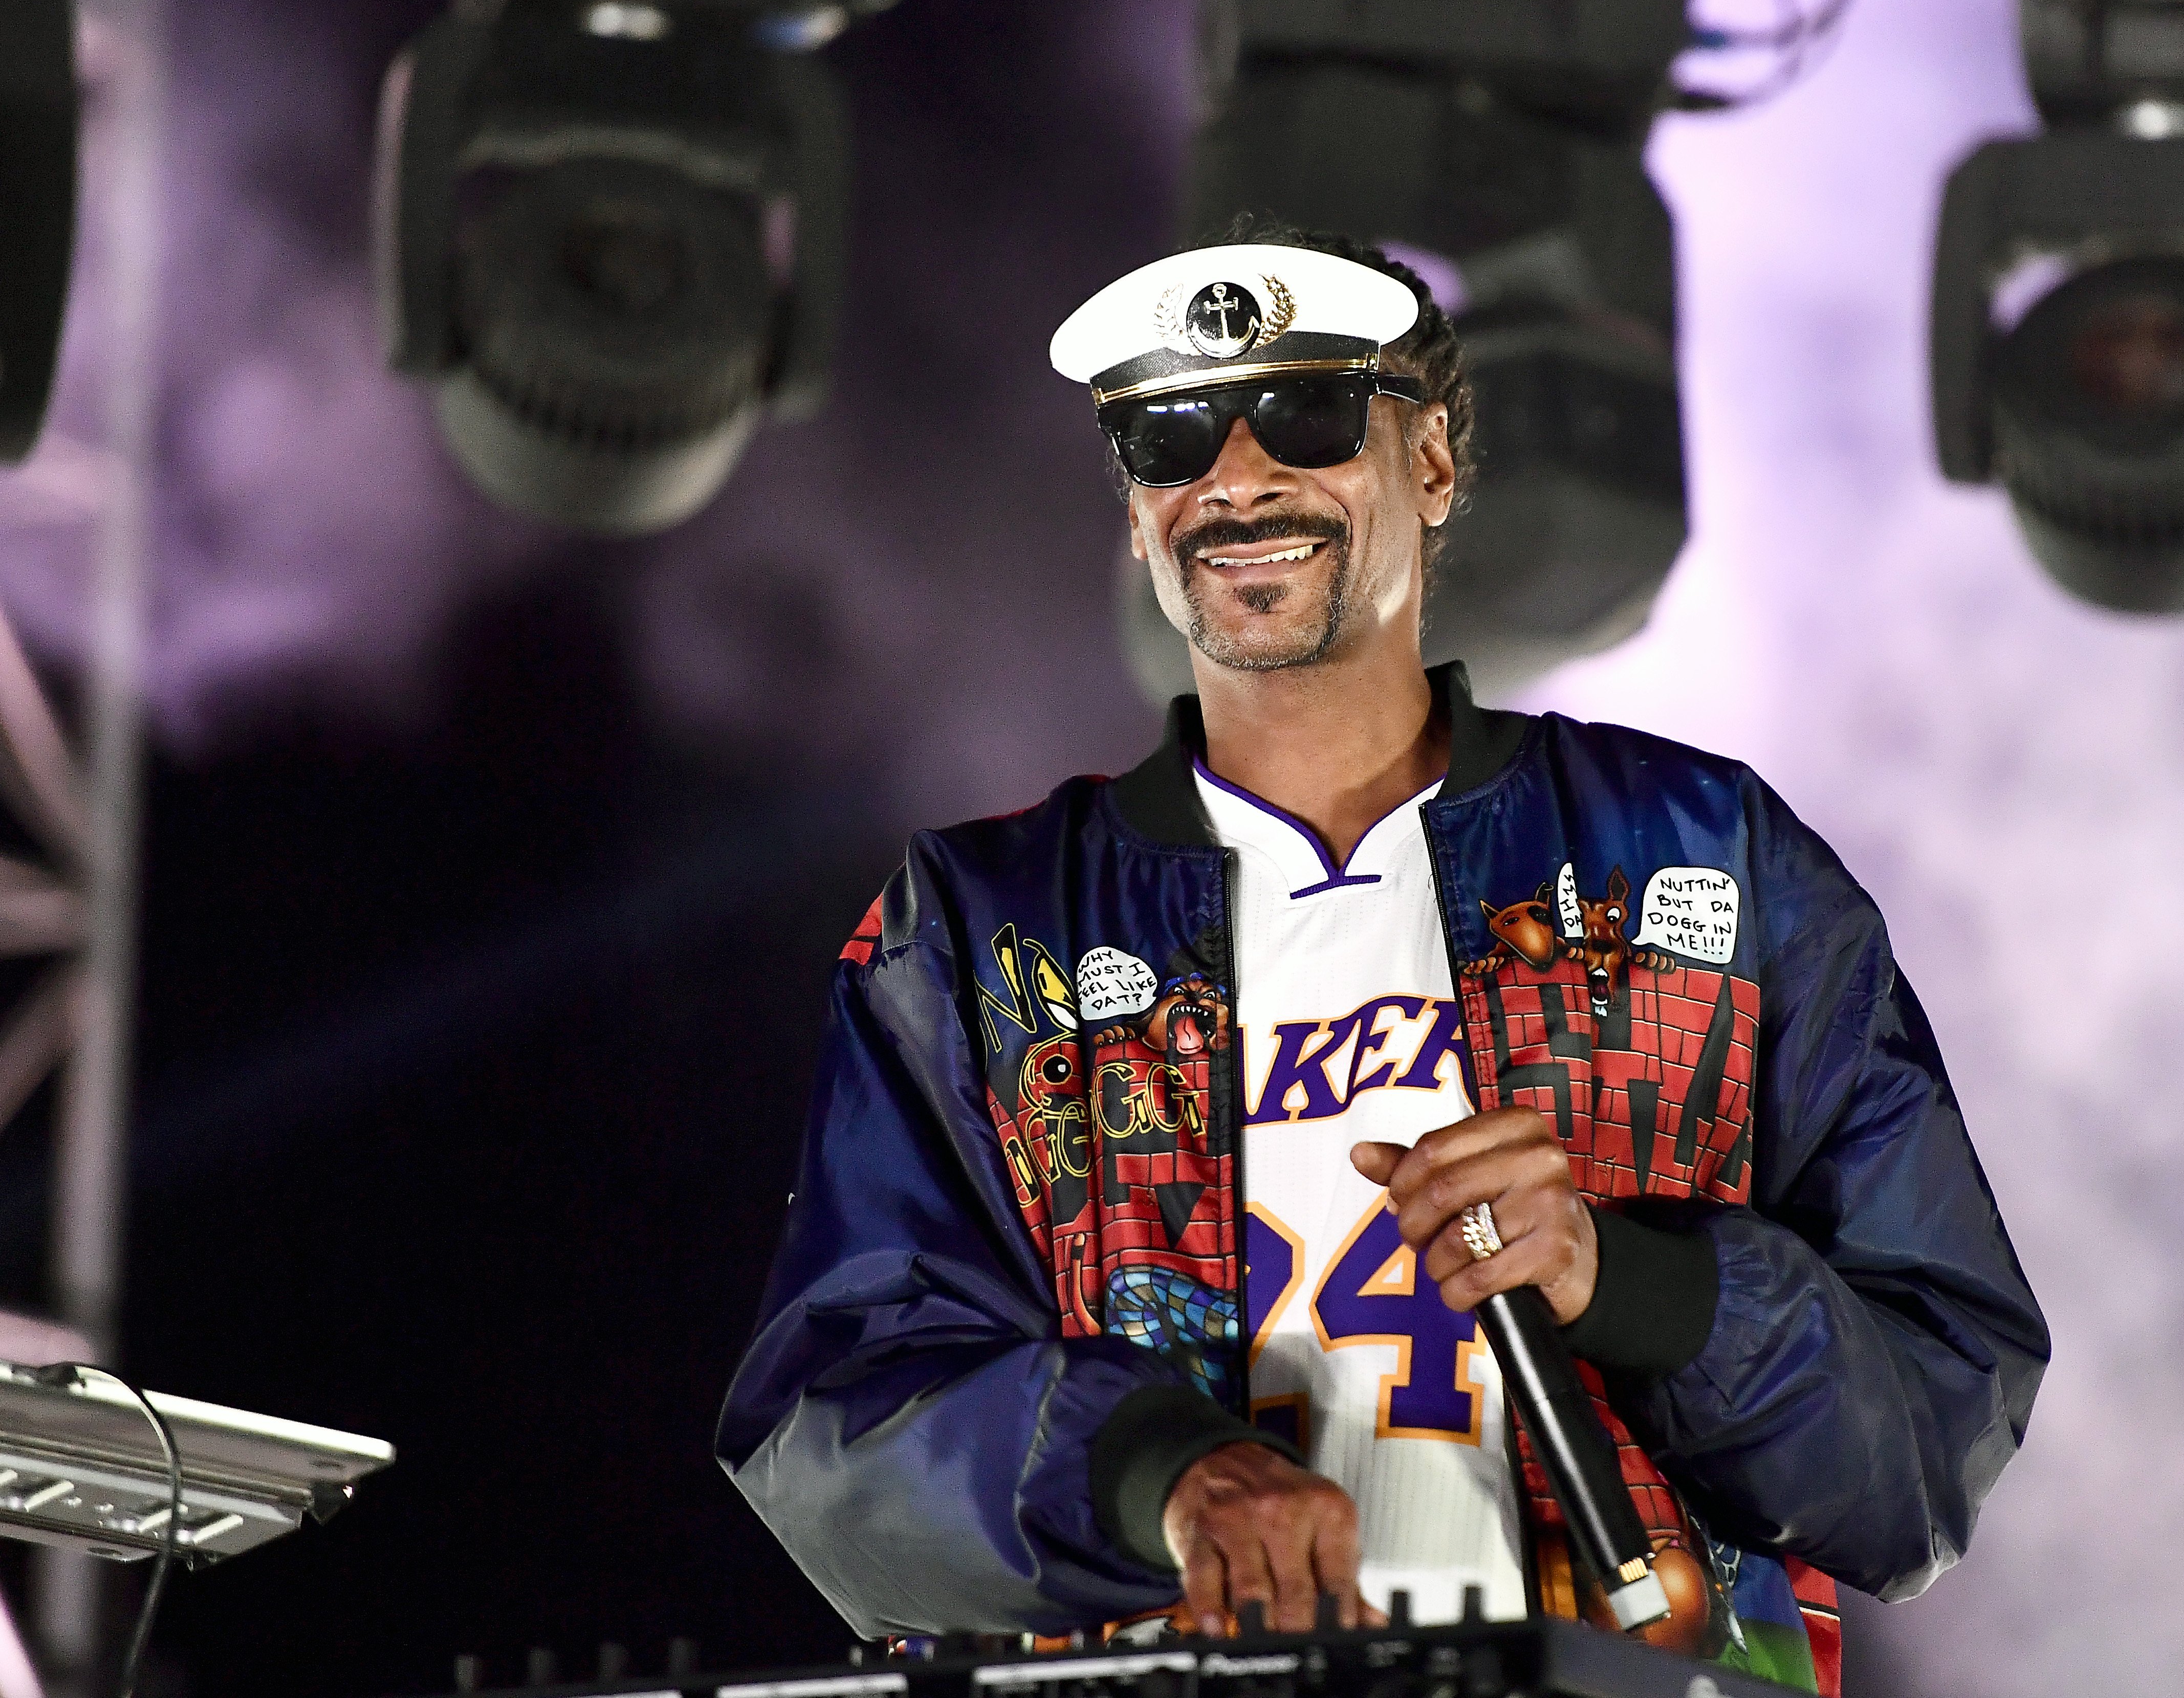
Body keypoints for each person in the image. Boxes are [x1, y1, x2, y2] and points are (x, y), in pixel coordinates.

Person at [715, 224, 2048, 1695]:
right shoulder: (980, 926)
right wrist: (1163, 1476)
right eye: (1167, 436)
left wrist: (1632, 1282)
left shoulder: (1709, 858)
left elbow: (1933, 1441)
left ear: (1432, 465)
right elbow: (834, 1418)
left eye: (1307, 413)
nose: (1234, 477)